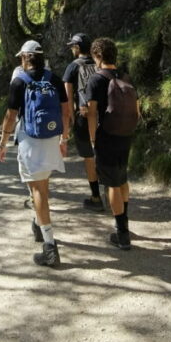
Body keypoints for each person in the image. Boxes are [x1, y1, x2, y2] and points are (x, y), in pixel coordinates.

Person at [0, 40, 70, 268]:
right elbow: (66, 110)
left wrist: (2, 142)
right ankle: (39, 223)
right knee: (41, 186)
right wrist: (64, 138)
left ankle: (50, 247)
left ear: (25, 58)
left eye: (21, 57)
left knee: (38, 189)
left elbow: (10, 115)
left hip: (30, 139)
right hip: (50, 137)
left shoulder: (20, 81)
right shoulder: (54, 79)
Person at [86, 37, 140, 251]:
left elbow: (91, 113)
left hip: (106, 135)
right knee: (122, 177)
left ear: (98, 56)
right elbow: (137, 109)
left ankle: (122, 234)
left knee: (112, 183)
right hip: (125, 134)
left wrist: (92, 138)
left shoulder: (96, 79)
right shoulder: (126, 77)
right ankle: (124, 222)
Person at [63, 32, 103, 212]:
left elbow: (68, 95)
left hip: (84, 116)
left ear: (78, 48)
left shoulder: (72, 67)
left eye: (73, 46)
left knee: (89, 158)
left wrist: (71, 117)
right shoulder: (99, 63)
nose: (72, 49)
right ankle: (111, 193)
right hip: (103, 115)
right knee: (104, 154)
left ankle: (96, 197)